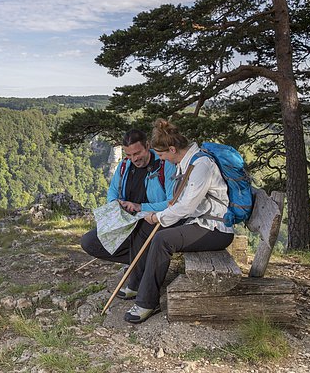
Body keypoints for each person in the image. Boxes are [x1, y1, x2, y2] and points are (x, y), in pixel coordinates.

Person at [124, 119, 234, 323]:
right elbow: (182, 203)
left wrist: (158, 216)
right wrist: (154, 218)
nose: (162, 159)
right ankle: (136, 282)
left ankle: (147, 303)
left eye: (163, 154)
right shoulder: (188, 163)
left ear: (172, 149)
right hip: (197, 222)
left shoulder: (201, 165)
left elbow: (187, 206)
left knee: (163, 240)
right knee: (146, 227)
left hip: (215, 228)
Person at [80, 128, 176, 299]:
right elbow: (112, 191)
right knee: (89, 242)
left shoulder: (164, 165)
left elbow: (172, 202)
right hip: (127, 222)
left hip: (154, 221)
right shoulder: (124, 165)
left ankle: (137, 279)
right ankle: (141, 262)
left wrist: (140, 207)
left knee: (145, 228)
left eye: (137, 153)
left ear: (147, 146)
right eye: (130, 154)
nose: (134, 159)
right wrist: (115, 204)